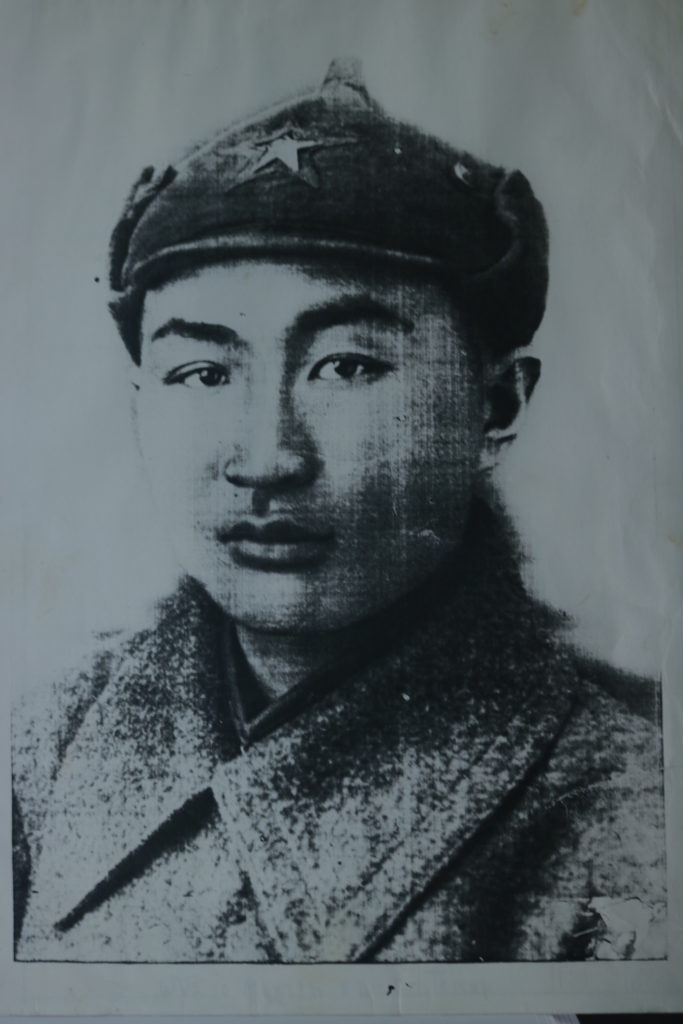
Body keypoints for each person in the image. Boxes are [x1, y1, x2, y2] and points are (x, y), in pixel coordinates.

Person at [12, 58, 666, 963]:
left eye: (346, 367)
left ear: (496, 406)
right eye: (202, 372)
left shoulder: (628, 804)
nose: (266, 459)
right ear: (139, 402)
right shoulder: (42, 758)